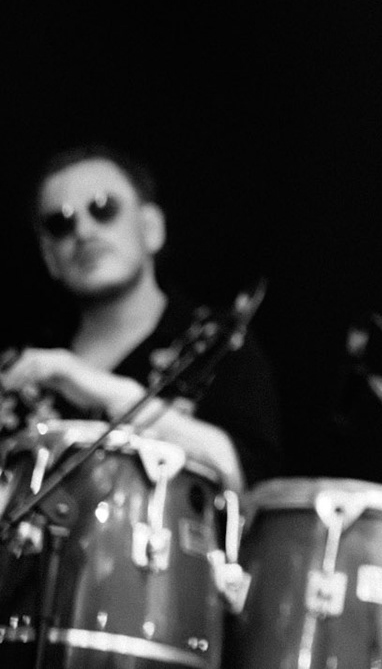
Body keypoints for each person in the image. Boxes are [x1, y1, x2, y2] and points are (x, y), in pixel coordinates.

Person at [2, 144, 282, 490]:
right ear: (49, 257)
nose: (84, 232)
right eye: (60, 223)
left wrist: (114, 394)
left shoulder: (219, 342)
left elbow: (251, 483)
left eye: (104, 208)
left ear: (151, 227)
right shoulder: (23, 372)